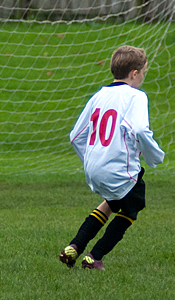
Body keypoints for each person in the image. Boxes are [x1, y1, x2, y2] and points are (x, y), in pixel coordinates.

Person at [60, 45, 165, 270]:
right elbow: (138, 129)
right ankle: (94, 257)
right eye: (143, 73)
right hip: (119, 169)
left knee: (112, 202)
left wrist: (92, 159)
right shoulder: (136, 96)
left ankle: (74, 247)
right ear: (134, 74)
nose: (143, 78)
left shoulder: (99, 95)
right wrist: (155, 155)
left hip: (93, 168)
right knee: (132, 206)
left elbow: (75, 136)